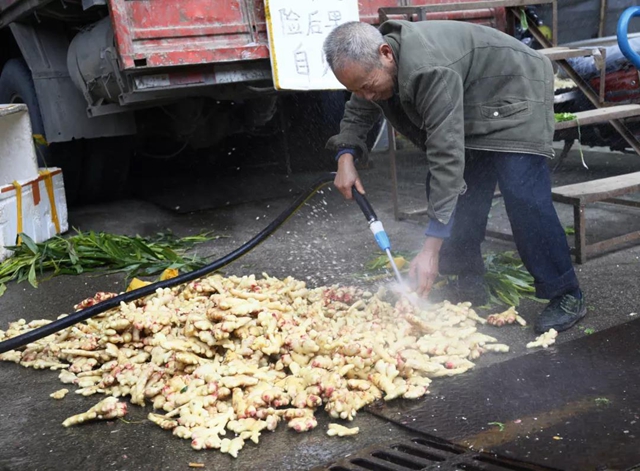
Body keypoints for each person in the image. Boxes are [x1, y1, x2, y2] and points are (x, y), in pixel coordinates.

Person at [323, 20, 586, 334]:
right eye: (355, 89)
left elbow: (446, 158)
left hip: (515, 91)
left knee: (523, 195)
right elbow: (358, 109)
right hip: (474, 97)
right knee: (463, 192)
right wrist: (345, 156)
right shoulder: (373, 63)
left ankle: (565, 292)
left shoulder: (429, 69)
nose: (365, 95)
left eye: (366, 85)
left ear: (385, 54)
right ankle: (467, 275)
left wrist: (430, 249)